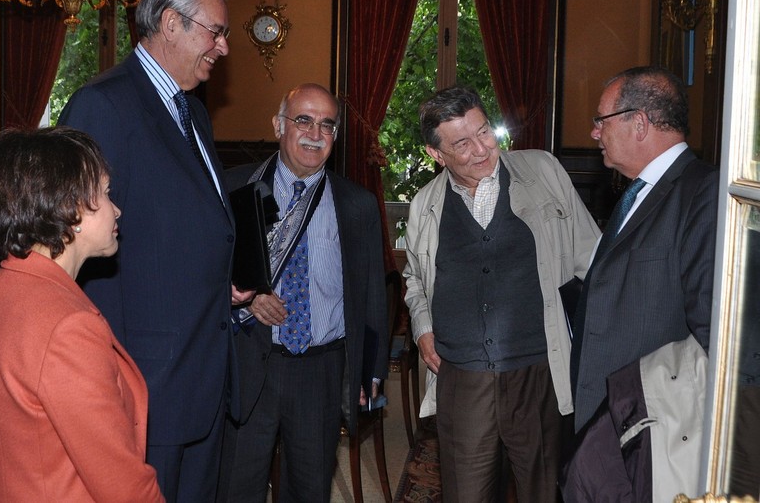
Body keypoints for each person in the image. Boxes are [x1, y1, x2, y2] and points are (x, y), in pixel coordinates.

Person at [58, 0, 252, 502]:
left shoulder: (191, 109)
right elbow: (76, 252)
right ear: (171, 23)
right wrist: (110, 380)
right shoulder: (104, 105)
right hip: (148, 381)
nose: (224, 47)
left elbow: (175, 228)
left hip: (202, 371)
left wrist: (221, 281)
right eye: (215, 32)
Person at [403, 86, 601, 502]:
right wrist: (423, 328)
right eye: (462, 143)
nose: (481, 149)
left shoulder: (543, 171)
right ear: (436, 155)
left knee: (544, 491)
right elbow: (414, 278)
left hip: (539, 373)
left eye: (484, 132)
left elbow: (595, 259)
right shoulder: (425, 205)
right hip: (462, 377)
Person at [0, 127, 164, 502]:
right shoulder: (67, 326)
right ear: (69, 207)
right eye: (105, 193)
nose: (116, 208)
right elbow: (123, 488)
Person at [218, 83, 388, 502]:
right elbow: (203, 271)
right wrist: (247, 295)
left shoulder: (357, 204)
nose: (315, 133)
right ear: (279, 125)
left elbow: (371, 299)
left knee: (310, 489)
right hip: (250, 360)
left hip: (320, 371)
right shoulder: (236, 188)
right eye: (304, 120)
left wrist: (372, 374)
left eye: (327, 125)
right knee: (237, 485)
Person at [569, 66, 718, 433]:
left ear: (639, 123)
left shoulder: (703, 193)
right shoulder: (639, 191)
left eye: (601, 120)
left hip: (650, 425)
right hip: (606, 419)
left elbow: (709, 333)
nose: (594, 132)